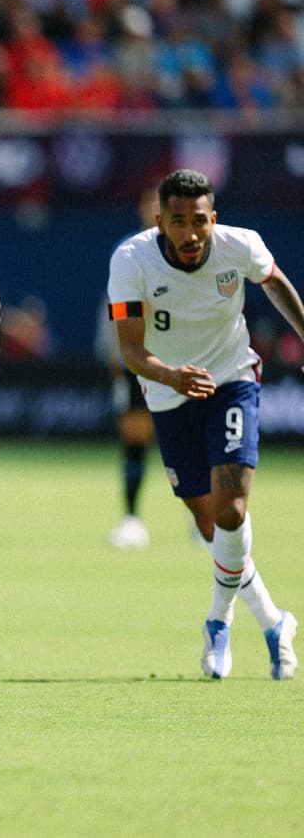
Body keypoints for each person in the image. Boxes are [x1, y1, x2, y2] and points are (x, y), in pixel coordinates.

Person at [107, 168, 301, 680]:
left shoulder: (241, 246)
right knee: (209, 525)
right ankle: (274, 620)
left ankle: (218, 620)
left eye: (199, 222)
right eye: (178, 222)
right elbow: (130, 349)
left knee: (232, 508)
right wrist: (171, 375)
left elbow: (275, 282)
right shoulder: (131, 260)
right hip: (168, 394)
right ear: (160, 222)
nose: (190, 234)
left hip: (233, 381)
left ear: (212, 218)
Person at [99, 185, 160, 550]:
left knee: (190, 438)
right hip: (137, 360)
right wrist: (117, 358)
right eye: (149, 202)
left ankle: (202, 517)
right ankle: (132, 518)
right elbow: (116, 311)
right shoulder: (127, 252)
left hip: (179, 359)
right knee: (135, 436)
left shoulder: (190, 251)